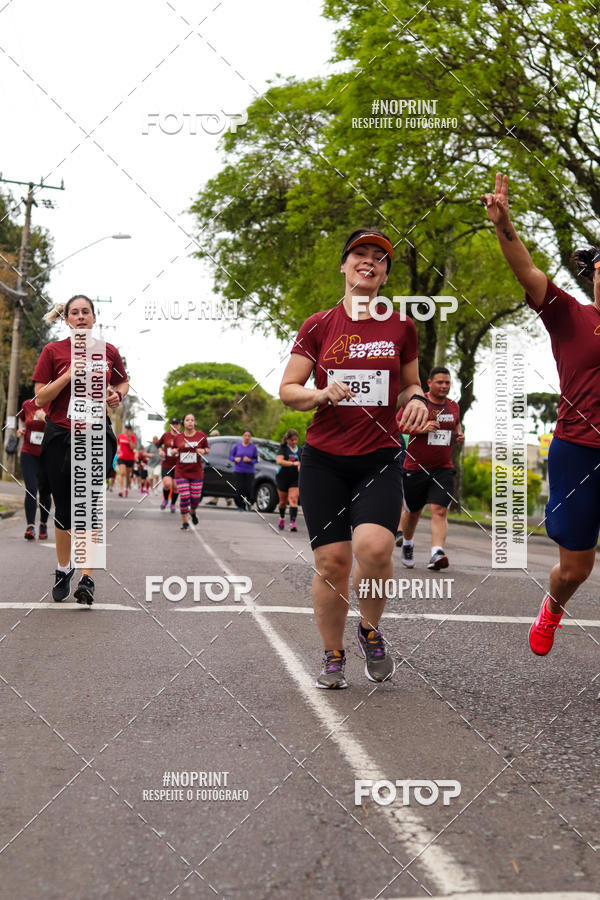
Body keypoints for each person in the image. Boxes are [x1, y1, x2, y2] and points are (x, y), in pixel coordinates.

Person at [280, 228, 428, 689]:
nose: (369, 262)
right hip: (324, 458)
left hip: (379, 456)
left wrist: (419, 400)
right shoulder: (318, 325)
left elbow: (409, 384)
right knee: (333, 563)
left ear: (384, 274)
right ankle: (332, 654)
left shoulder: (402, 326)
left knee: (376, 549)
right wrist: (320, 393)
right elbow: (288, 390)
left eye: (379, 258)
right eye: (360, 254)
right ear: (344, 265)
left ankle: (368, 630)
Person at [483, 172, 600, 655]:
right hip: (578, 451)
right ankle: (553, 606)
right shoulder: (572, 316)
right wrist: (504, 227)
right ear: (594, 275)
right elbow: (526, 271)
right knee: (576, 568)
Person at [33, 295, 127, 604]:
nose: (81, 316)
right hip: (60, 434)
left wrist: (117, 396)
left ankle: (87, 577)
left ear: (95, 318)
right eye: (75, 312)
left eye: (86, 311)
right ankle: (64, 567)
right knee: (65, 510)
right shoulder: (53, 351)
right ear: (67, 319)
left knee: (88, 506)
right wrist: (69, 373)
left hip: (96, 435)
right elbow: (40, 399)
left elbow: (123, 382)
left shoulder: (108, 351)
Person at [396, 366, 464, 570]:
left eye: (447, 383)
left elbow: (456, 424)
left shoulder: (454, 406)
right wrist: (421, 429)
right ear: (429, 383)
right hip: (415, 467)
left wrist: (459, 435)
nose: (444, 386)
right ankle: (407, 543)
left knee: (439, 510)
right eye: (440, 382)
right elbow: (398, 425)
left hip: (443, 468)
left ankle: (437, 552)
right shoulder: (417, 403)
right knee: (412, 512)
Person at [17, 397, 52, 540]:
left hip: (47, 454)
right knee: (31, 489)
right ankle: (30, 526)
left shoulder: (54, 403)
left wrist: (45, 418)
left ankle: (43, 524)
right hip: (28, 453)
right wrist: (21, 429)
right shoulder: (27, 404)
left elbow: (59, 425)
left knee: (45, 492)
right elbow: (22, 419)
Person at [173, 413, 209, 530]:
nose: (190, 422)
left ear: (194, 422)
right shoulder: (178, 437)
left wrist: (203, 451)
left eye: (192, 420)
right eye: (187, 420)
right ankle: (185, 522)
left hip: (196, 472)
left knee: (195, 499)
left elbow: (207, 448)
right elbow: (173, 449)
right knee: (184, 496)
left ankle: (192, 512)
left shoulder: (201, 436)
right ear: (183, 422)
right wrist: (174, 451)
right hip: (181, 471)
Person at [275, 429, 302, 531]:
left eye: (296, 440)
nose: (294, 442)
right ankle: (282, 518)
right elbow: (279, 461)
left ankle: (293, 523)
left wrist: (301, 466)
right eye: (292, 440)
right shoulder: (283, 449)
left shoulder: (300, 450)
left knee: (293, 499)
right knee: (282, 502)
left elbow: (304, 462)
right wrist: (293, 464)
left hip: (295, 479)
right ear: (288, 440)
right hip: (282, 478)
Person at [229, 430, 258, 511]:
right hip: (238, 471)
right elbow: (230, 456)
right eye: (245, 435)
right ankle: (241, 506)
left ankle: (249, 502)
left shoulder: (253, 447)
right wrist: (235, 459)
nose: (247, 437)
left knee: (248, 489)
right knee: (239, 489)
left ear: (250, 437)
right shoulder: (237, 446)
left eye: (249, 436)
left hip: (249, 472)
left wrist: (250, 460)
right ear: (243, 436)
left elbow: (256, 460)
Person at [157, 418, 181, 512]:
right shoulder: (166, 435)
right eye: (173, 423)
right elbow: (158, 444)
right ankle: (165, 499)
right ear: (170, 425)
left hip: (178, 466)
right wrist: (160, 451)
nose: (175, 425)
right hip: (166, 465)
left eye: (177, 424)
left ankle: (173, 504)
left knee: (176, 487)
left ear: (179, 426)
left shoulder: (182, 437)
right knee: (167, 484)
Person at [205, 429, 232, 507]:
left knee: (215, 481)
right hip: (223, 466)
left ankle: (214, 500)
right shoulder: (222, 443)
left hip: (216, 465)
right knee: (223, 482)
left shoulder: (215, 444)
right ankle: (228, 499)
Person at [116, 423, 136, 497]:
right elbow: (118, 444)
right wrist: (117, 453)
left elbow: (132, 448)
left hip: (130, 458)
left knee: (128, 476)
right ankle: (121, 490)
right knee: (122, 473)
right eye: (126, 428)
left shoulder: (132, 437)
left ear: (130, 430)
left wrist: (129, 439)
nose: (127, 430)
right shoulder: (121, 436)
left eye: (129, 429)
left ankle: (126, 489)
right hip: (121, 457)